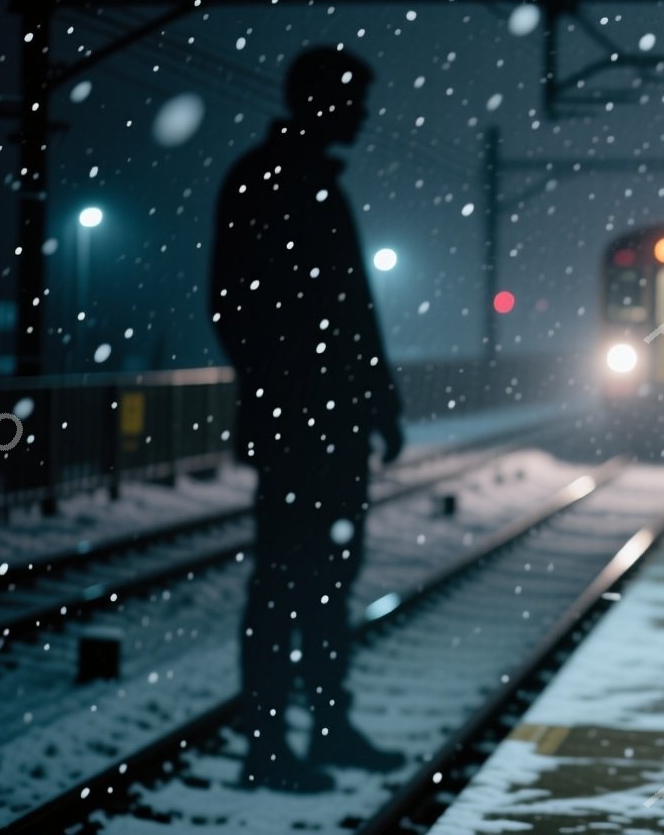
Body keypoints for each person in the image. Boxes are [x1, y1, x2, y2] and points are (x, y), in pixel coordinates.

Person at [209, 46, 407, 792]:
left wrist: (369, 403)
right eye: (352, 99)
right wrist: (314, 397)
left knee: (313, 581)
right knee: (299, 584)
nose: (361, 114)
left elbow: (340, 316)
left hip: (319, 425)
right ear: (320, 102)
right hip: (307, 428)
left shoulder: (288, 184)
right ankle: (276, 743)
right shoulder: (282, 186)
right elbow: (331, 315)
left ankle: (316, 728)